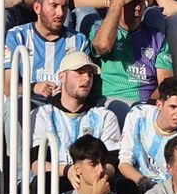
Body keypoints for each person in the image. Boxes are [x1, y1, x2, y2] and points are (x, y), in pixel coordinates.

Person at [29, 50, 121, 180]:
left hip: (93, 184)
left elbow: (112, 164)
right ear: (62, 77)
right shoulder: (41, 114)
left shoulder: (105, 116)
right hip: (56, 183)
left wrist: (87, 178)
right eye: (79, 72)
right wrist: (69, 170)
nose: (87, 78)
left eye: (90, 74)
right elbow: (37, 164)